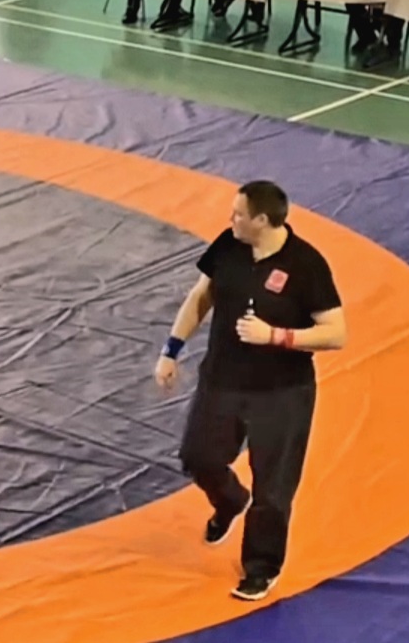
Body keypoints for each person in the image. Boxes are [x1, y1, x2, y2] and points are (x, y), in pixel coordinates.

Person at [155, 180, 347, 601]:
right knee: (198, 457)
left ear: (261, 220)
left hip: (281, 392)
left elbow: (336, 333)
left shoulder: (306, 264)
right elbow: (201, 295)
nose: (231, 219)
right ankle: (229, 501)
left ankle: (261, 567)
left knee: (273, 487)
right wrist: (171, 349)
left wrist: (276, 336)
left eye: (239, 214)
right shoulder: (229, 245)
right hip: (221, 379)